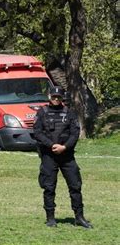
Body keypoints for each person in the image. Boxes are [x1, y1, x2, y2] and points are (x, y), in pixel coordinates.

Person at [33, 86, 92, 229]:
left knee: (75, 186)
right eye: (54, 97)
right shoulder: (42, 113)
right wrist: (52, 145)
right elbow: (37, 132)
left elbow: (74, 133)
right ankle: (50, 218)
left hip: (67, 156)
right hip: (49, 155)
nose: (56, 99)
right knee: (49, 187)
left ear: (62, 98)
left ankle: (79, 217)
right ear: (49, 97)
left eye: (58, 97)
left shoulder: (70, 113)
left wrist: (64, 147)